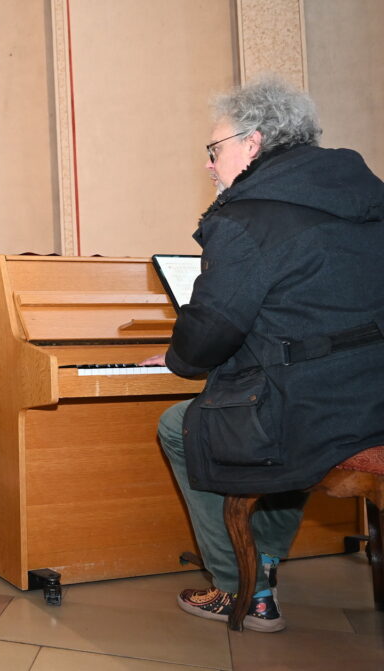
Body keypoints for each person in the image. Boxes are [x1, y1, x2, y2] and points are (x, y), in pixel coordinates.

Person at [147, 78, 384, 633]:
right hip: (371, 400)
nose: (208, 164)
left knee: (182, 425)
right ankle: (268, 558)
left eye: (214, 149)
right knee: (276, 415)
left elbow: (207, 335)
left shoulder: (245, 219)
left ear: (252, 143)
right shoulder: (365, 199)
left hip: (308, 412)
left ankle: (241, 587)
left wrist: (178, 357)